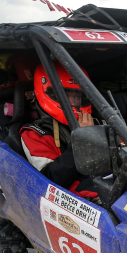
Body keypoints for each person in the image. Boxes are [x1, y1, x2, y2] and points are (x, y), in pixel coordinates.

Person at [20, 62, 98, 198]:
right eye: (66, 97)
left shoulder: (94, 123)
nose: (73, 103)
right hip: (71, 197)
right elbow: (50, 182)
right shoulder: (34, 134)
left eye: (77, 97)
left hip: (105, 182)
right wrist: (80, 142)